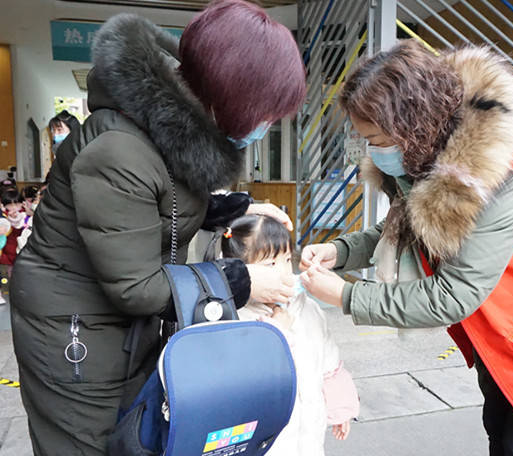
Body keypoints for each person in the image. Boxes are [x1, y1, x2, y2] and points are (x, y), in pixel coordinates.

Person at [9, 1, 306, 455]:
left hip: (118, 326)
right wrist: (243, 282)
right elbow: (136, 286)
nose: (265, 126)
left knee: (136, 438)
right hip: (73, 333)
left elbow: (164, 204)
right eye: (264, 113)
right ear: (230, 97)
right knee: (91, 445)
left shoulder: (167, 129)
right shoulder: (118, 151)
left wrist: (236, 207)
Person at [300, 40, 513, 456]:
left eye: (376, 138)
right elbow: (406, 225)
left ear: (411, 125)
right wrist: (341, 252)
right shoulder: (427, 158)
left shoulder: (505, 178)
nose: (373, 152)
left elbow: (454, 295)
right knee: (503, 433)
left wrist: (347, 296)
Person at [221, 214, 359, 455]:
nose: (284, 272)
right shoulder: (233, 318)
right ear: (240, 270)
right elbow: (245, 382)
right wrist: (278, 332)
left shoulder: (306, 306)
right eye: (270, 265)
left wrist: (340, 405)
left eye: (286, 259)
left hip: (309, 435)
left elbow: (328, 360)